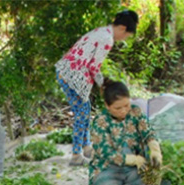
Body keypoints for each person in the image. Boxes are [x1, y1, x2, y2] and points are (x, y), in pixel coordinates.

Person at [55, 10, 139, 167]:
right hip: (72, 75)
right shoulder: (107, 39)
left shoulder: (101, 31)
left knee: (85, 109)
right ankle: (75, 155)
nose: (124, 39)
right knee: (82, 113)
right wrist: (104, 85)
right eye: (127, 35)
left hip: (67, 71)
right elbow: (93, 66)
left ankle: (87, 148)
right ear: (122, 28)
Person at [89, 80, 170, 185]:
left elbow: (148, 132)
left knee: (163, 183)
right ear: (107, 105)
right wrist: (132, 159)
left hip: (134, 169)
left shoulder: (135, 112)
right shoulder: (100, 121)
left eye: (126, 105)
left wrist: (155, 149)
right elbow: (105, 153)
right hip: (108, 170)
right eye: (118, 108)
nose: (124, 111)